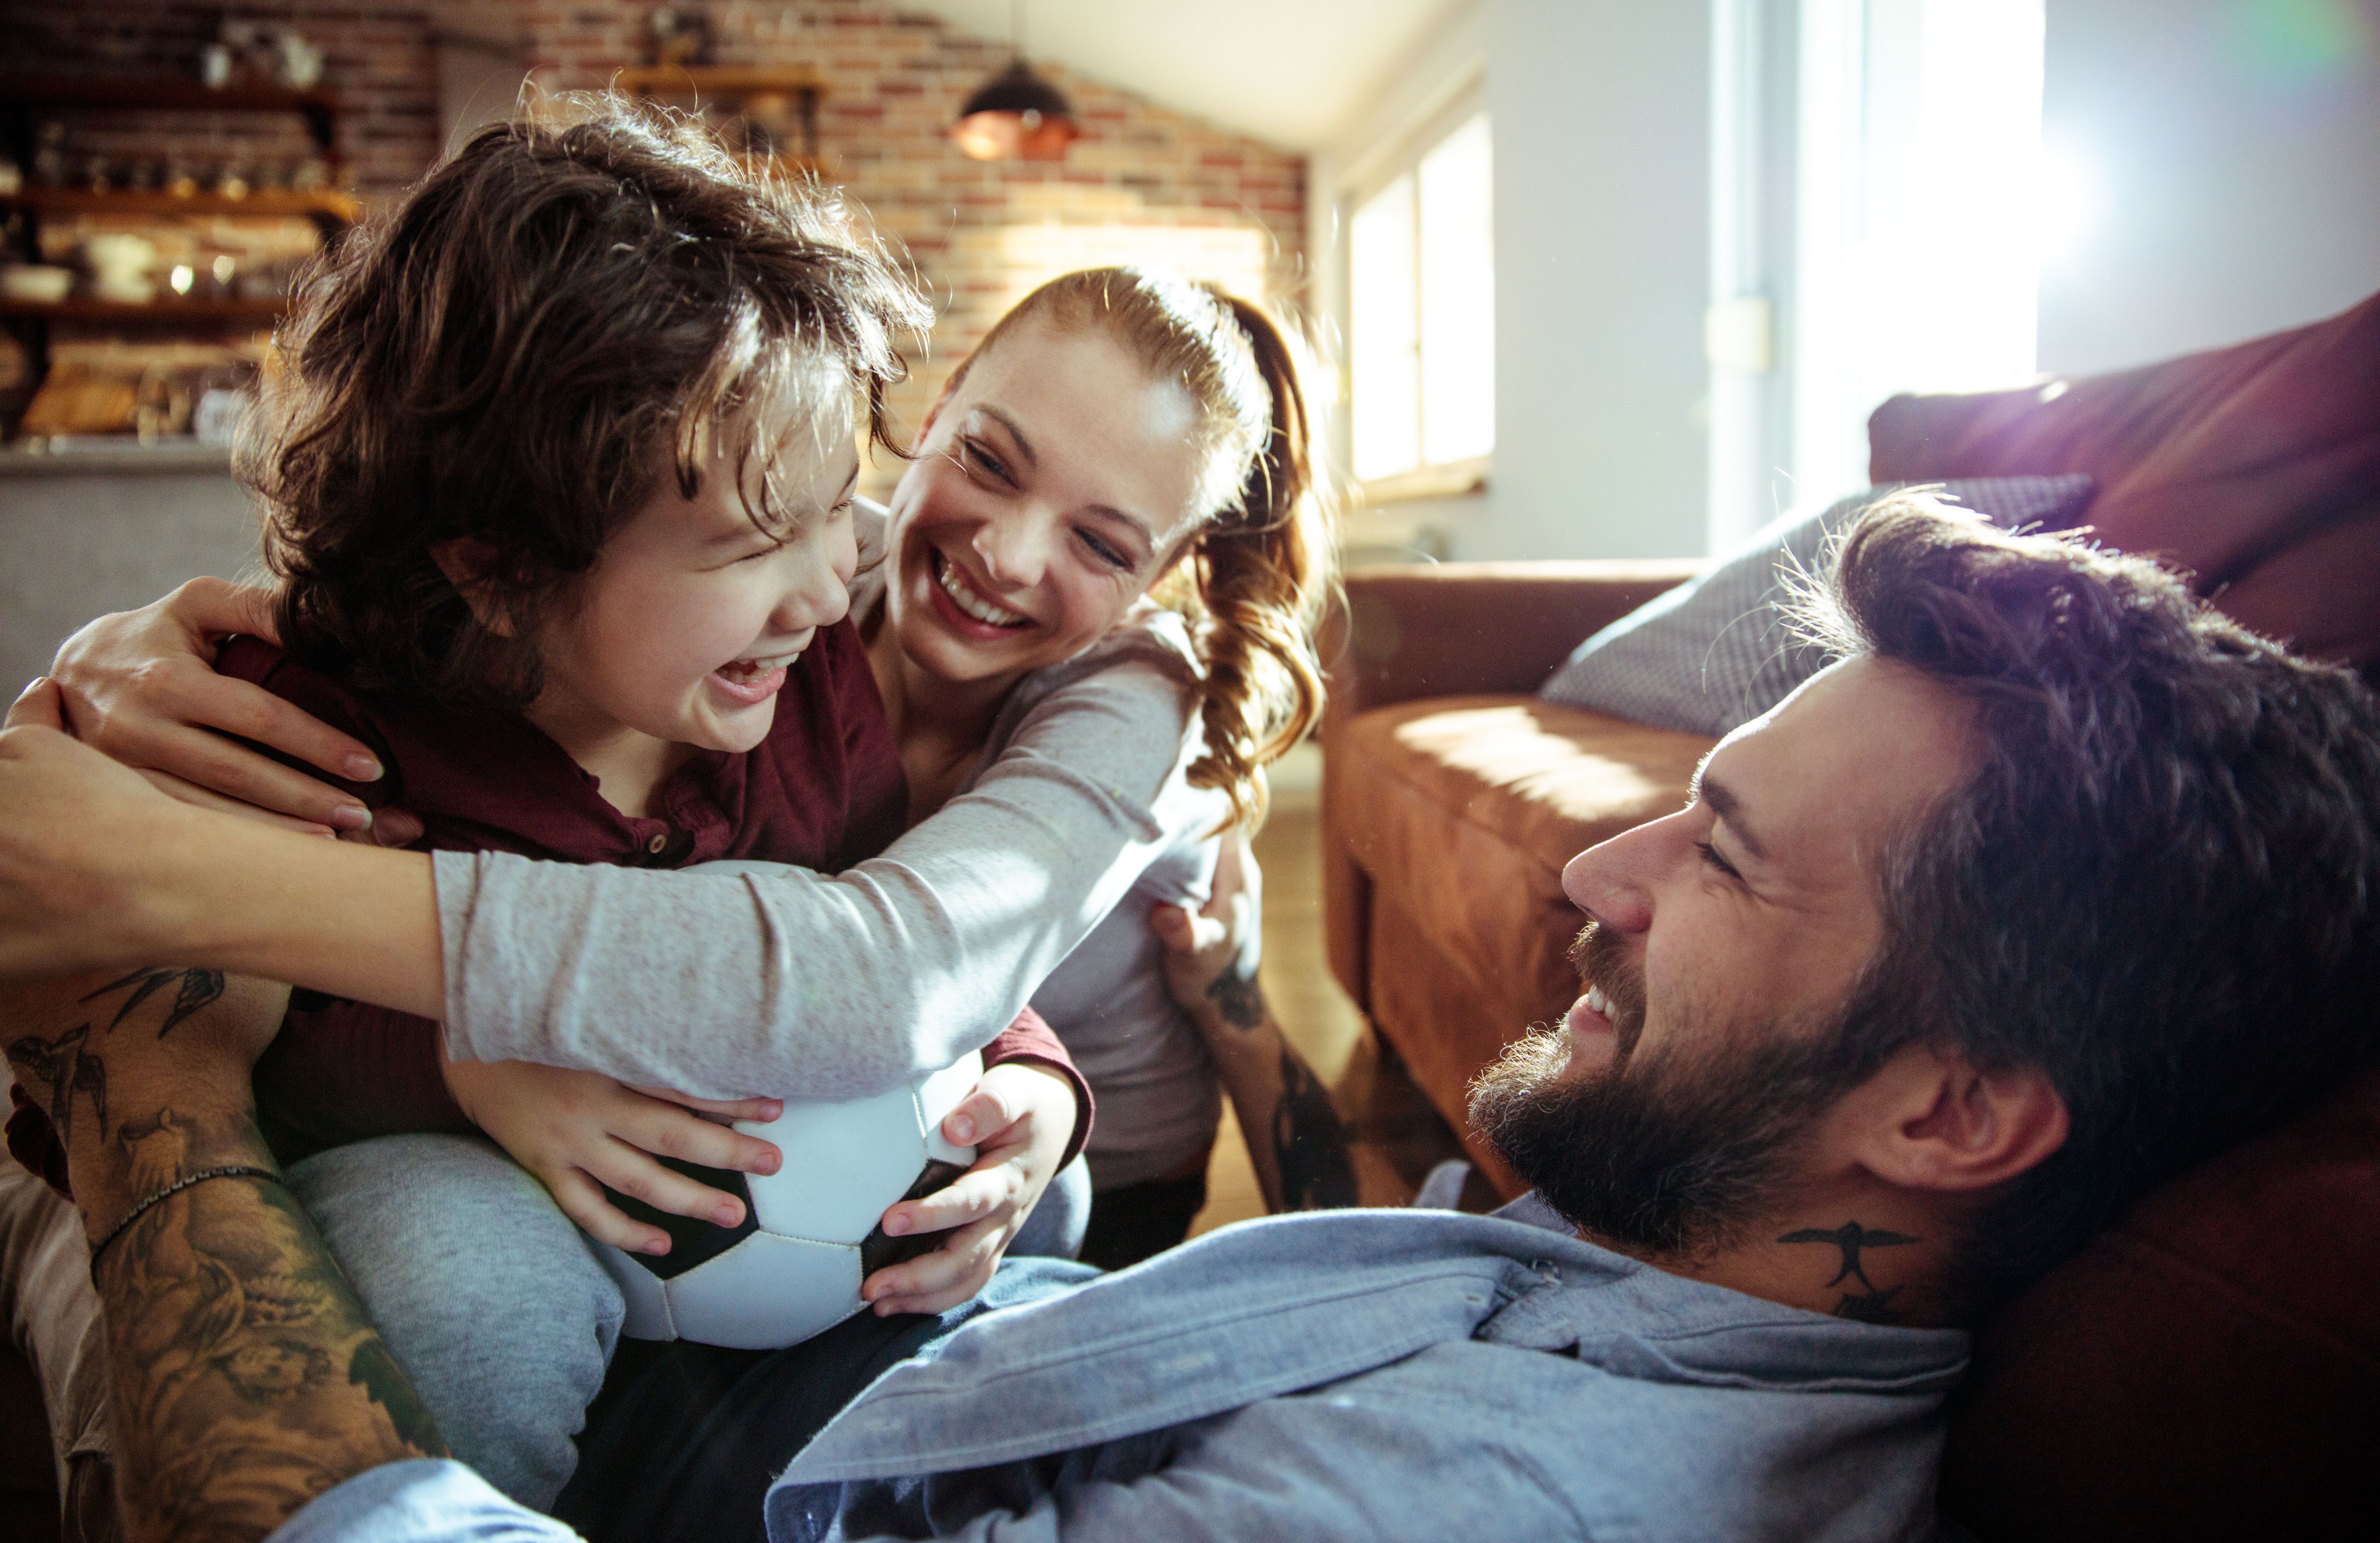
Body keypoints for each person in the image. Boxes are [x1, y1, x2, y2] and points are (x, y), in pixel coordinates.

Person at [5, 492, 2375, 1539]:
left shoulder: (1489, 1505)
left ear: (1959, 1112)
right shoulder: (1649, 1259)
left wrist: (154, 1090)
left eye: (1722, 854)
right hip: (870, 1358)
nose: (1591, 865)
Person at [3, 101, 1092, 1508]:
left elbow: (910, 924)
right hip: (445, 1193)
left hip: (729, 1209)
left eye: (842, 511)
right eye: (761, 543)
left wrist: (1034, 1078)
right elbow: (204, 1070)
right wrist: (465, 1057)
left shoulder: (811, 700)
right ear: (500, 571)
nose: (833, 590)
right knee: (458, 1281)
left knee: (1034, 1188)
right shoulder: (303, 733)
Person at [42, 266, 1355, 1269]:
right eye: (990, 461)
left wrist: (173, 876)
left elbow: (891, 973)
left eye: (1102, 544)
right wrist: (149, 639)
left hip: (1058, 1170)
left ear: (1166, 575)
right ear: (938, 408)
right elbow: (543, 568)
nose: (1010, 554)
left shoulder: (1138, 695)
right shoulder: (809, 583)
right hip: (799, 1113)